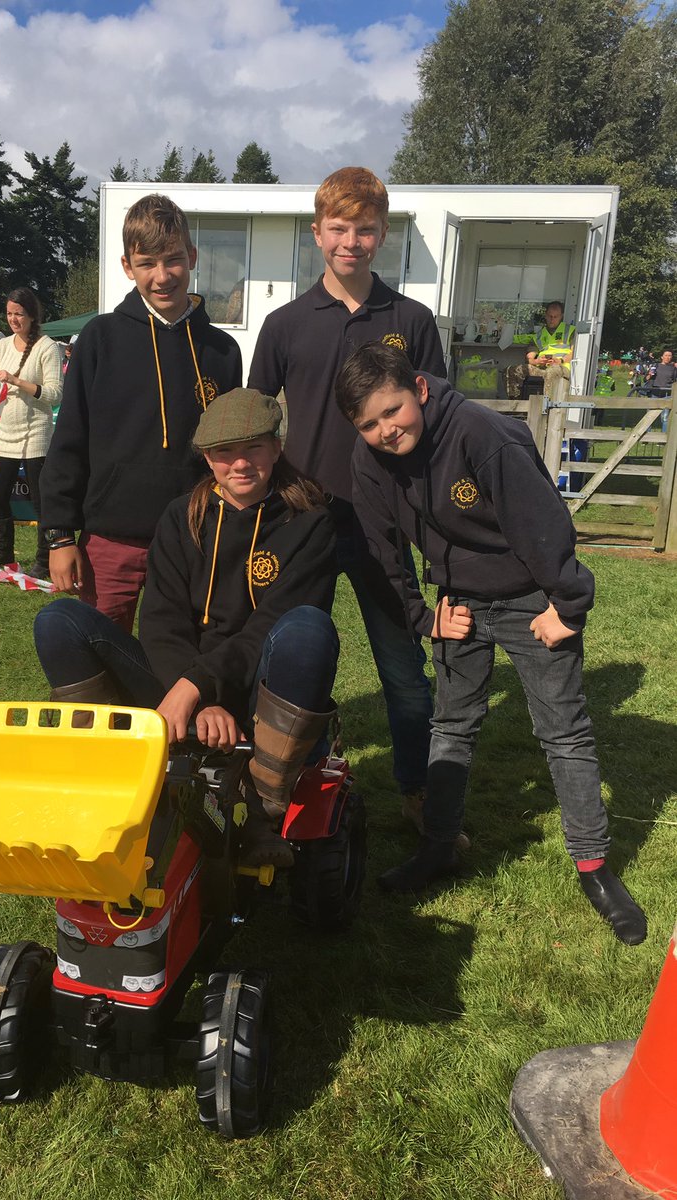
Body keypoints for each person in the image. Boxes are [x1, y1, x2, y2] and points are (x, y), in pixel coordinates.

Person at [335, 342, 647, 946]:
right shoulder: (369, 456)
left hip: (533, 596)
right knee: (451, 725)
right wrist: (421, 618)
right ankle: (439, 847)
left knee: (564, 731)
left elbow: (543, 520)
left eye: (392, 412)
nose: (384, 431)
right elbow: (378, 545)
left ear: (419, 391)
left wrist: (569, 605)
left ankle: (594, 867)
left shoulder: (482, 434)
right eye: (368, 424)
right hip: (458, 602)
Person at [34, 389, 338, 866]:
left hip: (262, 689)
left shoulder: (311, 523)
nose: (240, 464)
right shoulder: (182, 516)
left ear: (276, 448)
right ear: (207, 458)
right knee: (58, 621)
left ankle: (263, 812)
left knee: (308, 628)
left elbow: (269, 626)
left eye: (253, 447)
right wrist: (193, 695)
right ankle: (106, 782)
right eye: (224, 452)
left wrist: (201, 688)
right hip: (179, 687)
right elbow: (161, 620)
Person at [248, 165, 443, 832]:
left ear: (383, 234)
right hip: (301, 519)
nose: (351, 241)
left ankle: (419, 795)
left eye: (365, 229)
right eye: (339, 228)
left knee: (404, 672)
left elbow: (436, 422)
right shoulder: (284, 324)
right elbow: (255, 423)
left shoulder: (411, 321)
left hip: (385, 523)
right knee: (292, 659)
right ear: (317, 233)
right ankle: (280, 787)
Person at [40, 194, 243, 632]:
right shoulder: (100, 338)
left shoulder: (224, 351)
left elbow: (231, 452)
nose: (163, 275)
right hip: (110, 540)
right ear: (127, 266)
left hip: (194, 539)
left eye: (173, 260)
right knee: (97, 660)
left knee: (181, 662)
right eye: (147, 262)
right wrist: (58, 535)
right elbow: (69, 440)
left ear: (191, 256)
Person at [0, 288, 63, 579]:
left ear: (32, 315)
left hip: (36, 436)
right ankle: (3, 553)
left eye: (19, 314)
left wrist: (16, 380)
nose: (13, 319)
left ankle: (44, 560)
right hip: (5, 436)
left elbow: (54, 393)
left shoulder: (47, 347)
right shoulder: (1, 347)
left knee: (41, 503)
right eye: (10, 313)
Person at [525, 301, 575, 398]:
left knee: (551, 372)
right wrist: (537, 361)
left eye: (555, 317)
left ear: (561, 316)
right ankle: (517, 408)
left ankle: (546, 408)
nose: (552, 319)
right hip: (543, 367)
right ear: (546, 316)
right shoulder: (539, 335)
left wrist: (560, 361)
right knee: (514, 370)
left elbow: (575, 353)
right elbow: (529, 358)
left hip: (562, 368)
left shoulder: (570, 331)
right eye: (550, 316)